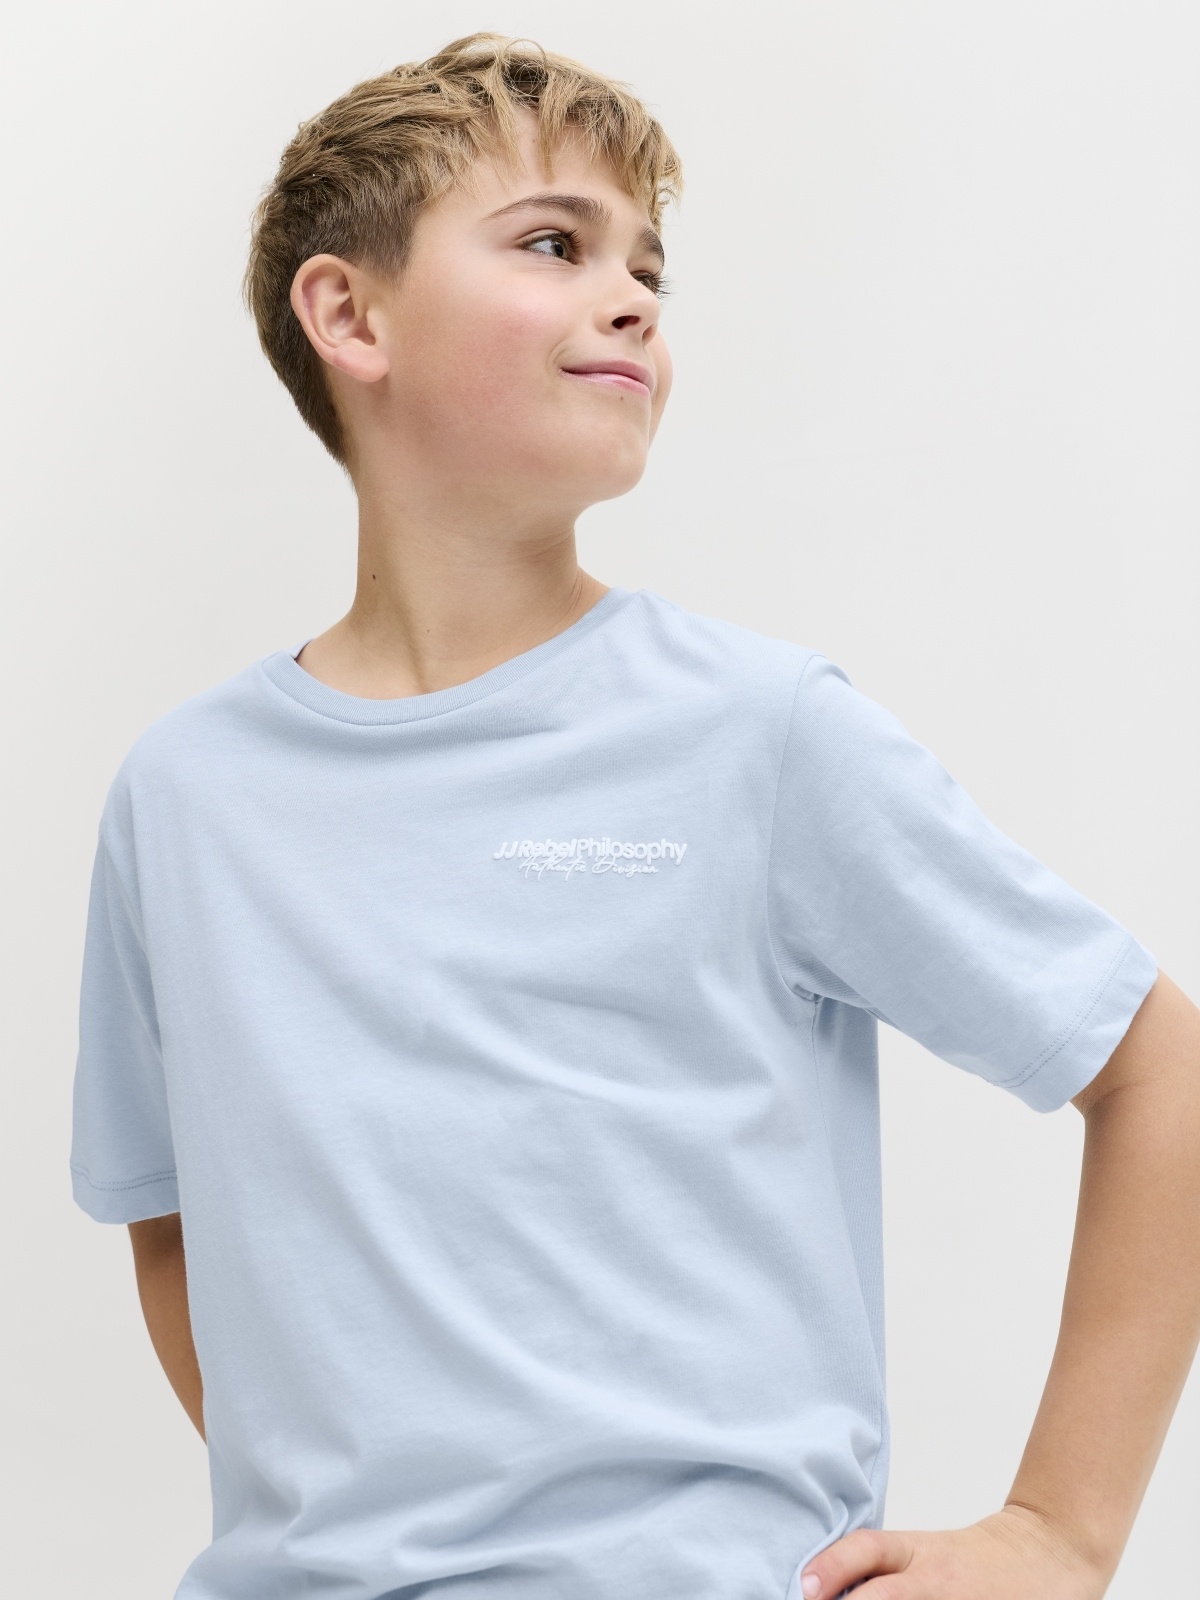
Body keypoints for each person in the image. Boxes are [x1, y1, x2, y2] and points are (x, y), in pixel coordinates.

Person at [69, 33, 1200, 1600]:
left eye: (648, 267)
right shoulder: (183, 799)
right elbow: (175, 1227)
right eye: (555, 244)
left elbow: (1156, 1064)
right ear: (350, 315)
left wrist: (1057, 1533)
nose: (633, 300)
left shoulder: (759, 733)